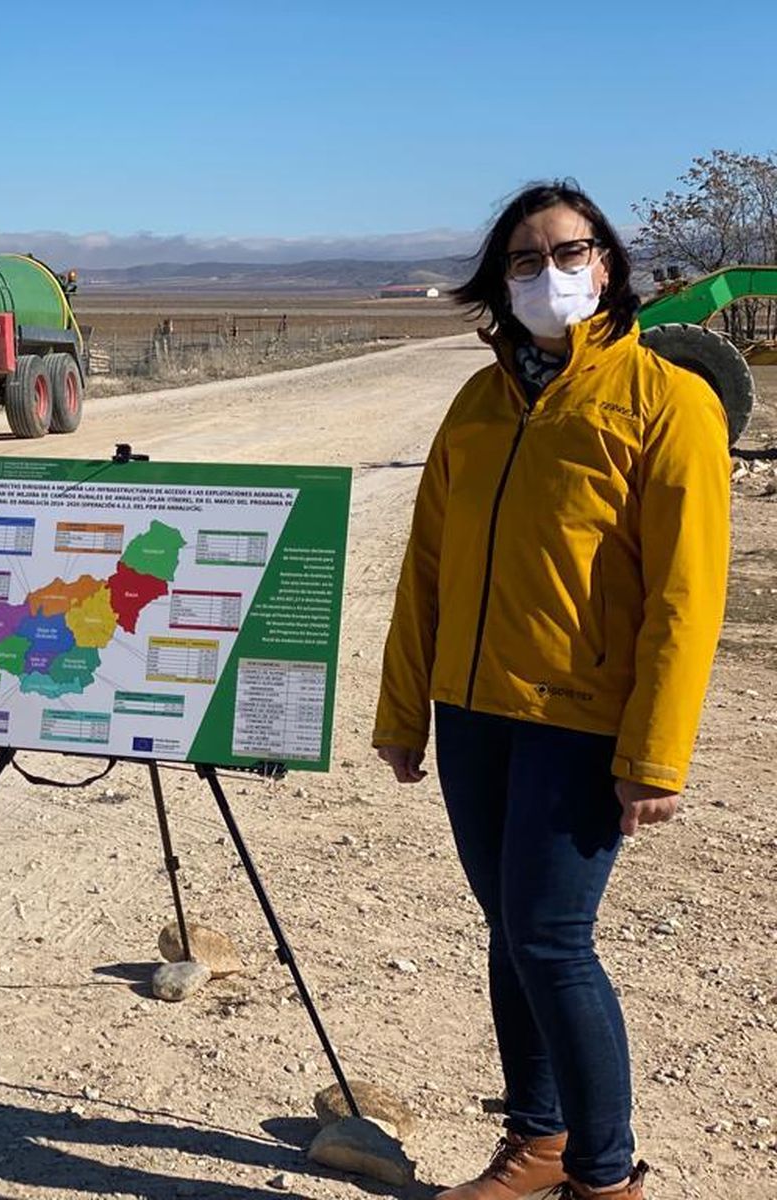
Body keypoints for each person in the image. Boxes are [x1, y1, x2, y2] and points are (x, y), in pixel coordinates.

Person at [373, 182, 730, 1200]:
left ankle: (604, 1175)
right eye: (524, 263)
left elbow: (685, 597)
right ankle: (536, 1141)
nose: (547, 276)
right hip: (473, 713)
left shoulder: (668, 404)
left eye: (566, 253)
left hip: (580, 721)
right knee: (508, 931)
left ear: (606, 264)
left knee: (548, 937)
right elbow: (426, 569)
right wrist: (405, 712)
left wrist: (654, 755)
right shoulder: (477, 404)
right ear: (498, 281)